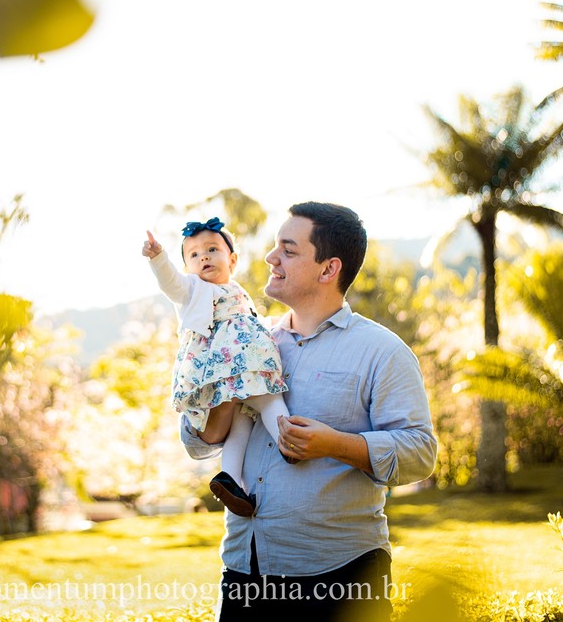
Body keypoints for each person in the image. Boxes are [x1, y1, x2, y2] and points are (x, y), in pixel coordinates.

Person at [180, 202, 437, 621]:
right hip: (245, 570)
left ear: (328, 268)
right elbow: (196, 441)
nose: (270, 258)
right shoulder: (246, 338)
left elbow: (420, 453)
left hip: (342, 579)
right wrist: (229, 389)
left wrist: (335, 445)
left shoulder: (383, 352)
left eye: (289, 249)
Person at [143, 217, 293, 517]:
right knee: (270, 401)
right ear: (188, 266)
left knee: (243, 420)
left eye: (212, 249)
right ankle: (288, 442)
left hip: (236, 368)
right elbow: (171, 283)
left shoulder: (238, 291)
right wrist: (159, 258)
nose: (204, 258)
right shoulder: (193, 288)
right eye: (194, 255)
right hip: (226, 369)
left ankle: (231, 479)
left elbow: (251, 323)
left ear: (232, 260)